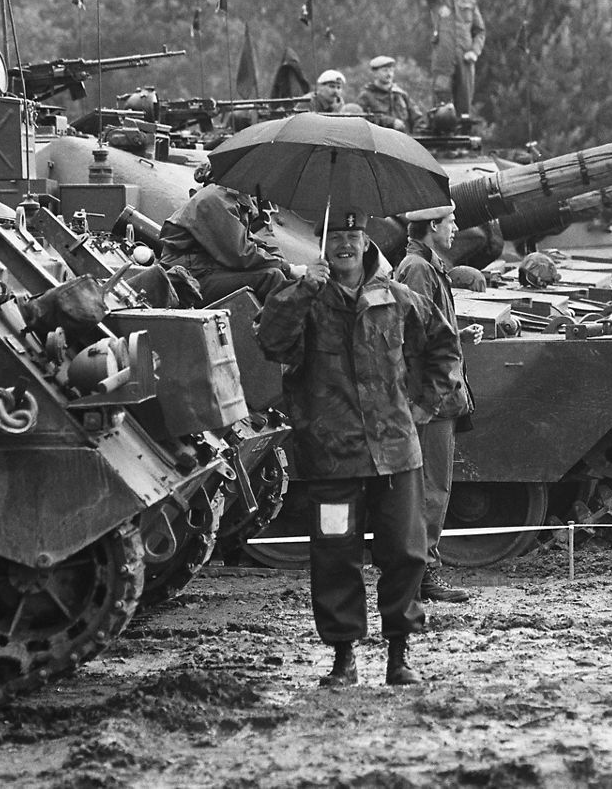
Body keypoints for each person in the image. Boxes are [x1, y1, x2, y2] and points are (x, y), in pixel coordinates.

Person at [255, 205, 462, 687]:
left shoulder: (398, 298)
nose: (345, 244)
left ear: (367, 242)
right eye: (336, 237)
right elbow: (270, 342)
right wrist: (304, 287)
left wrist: (425, 406)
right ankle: (343, 658)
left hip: (396, 452)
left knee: (405, 553)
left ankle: (399, 655)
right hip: (333, 457)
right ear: (323, 244)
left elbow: (444, 347)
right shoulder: (304, 299)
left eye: (354, 234)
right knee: (334, 556)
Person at [393, 204, 482, 603]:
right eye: (451, 222)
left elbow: (427, 327)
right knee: (429, 490)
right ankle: (422, 574)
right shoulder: (418, 268)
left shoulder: (426, 266)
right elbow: (414, 337)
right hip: (430, 397)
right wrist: (428, 401)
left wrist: (458, 333)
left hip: (435, 395)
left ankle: (420, 569)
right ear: (433, 225)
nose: (456, 229)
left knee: (430, 488)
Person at [158, 165, 301, 304]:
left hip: (203, 270)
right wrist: (288, 268)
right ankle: (283, 326)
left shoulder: (231, 199)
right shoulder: (215, 199)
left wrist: (284, 263)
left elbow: (249, 240)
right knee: (271, 277)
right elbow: (240, 253)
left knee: (276, 273)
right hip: (185, 280)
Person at [421, 0, 485, 118]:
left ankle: (463, 138)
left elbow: (480, 31)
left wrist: (474, 52)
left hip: (465, 59)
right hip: (443, 58)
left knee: (464, 103)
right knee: (442, 102)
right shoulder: (437, 0)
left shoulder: (470, 3)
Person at [358, 55, 421, 133]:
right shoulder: (366, 96)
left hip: (403, 140)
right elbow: (363, 120)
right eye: (385, 70)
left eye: (391, 70)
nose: (389, 74)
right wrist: (390, 122)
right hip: (380, 140)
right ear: (375, 73)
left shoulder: (401, 95)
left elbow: (416, 117)